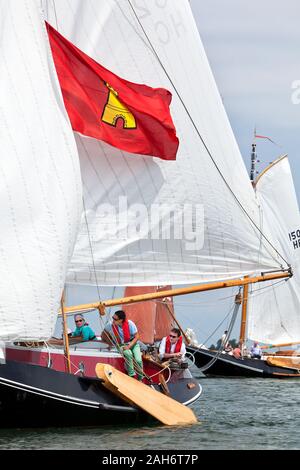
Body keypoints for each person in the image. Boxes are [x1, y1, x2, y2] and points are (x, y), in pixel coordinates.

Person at [104, 310, 144, 381]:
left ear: (121, 320)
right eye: (113, 318)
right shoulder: (110, 324)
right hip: (121, 345)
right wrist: (109, 343)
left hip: (133, 343)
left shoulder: (130, 324)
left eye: (115, 319)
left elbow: (137, 336)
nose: (113, 320)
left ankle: (140, 379)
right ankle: (132, 376)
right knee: (128, 354)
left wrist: (129, 346)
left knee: (138, 360)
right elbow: (103, 334)